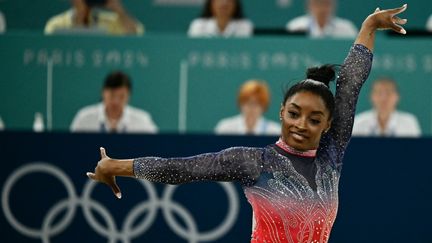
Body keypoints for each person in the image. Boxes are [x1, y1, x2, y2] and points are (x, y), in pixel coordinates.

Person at [87, 5, 408, 243]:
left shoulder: (332, 154)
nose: (301, 124)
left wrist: (369, 26)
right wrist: (115, 166)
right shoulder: (256, 162)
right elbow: (181, 170)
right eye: (294, 113)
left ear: (328, 125)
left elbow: (350, 84)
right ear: (281, 112)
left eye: (314, 119)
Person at [71, 71, 158, 133]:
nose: (116, 101)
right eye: (112, 95)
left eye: (121, 96)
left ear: (129, 95)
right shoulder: (84, 118)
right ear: (103, 92)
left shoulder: (143, 121)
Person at [352, 77, 421, 137]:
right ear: (371, 96)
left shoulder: (409, 123)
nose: (383, 98)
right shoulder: (358, 123)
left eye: (388, 93)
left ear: (397, 97)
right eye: (379, 93)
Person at [215, 80, 280, 135]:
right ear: (240, 103)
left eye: (256, 104)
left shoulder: (274, 131)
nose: (251, 108)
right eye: (247, 103)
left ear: (264, 106)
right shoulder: (225, 128)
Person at [44, 0, 143, 35]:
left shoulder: (110, 22)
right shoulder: (55, 24)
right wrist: (80, 13)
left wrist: (118, 9)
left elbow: (137, 35)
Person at [286, 0, 358, 38]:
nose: (322, 8)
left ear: (333, 5)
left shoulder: (347, 29)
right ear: (309, 5)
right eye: (317, 3)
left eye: (326, 3)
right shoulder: (294, 27)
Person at [188, 0, 253, 38]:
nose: (224, 3)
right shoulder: (198, 25)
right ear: (211, 4)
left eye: (229, 0)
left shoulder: (245, 25)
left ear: (235, 4)